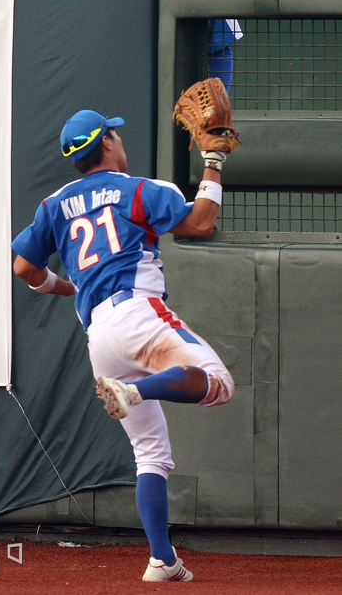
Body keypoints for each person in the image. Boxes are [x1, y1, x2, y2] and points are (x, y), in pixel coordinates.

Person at [12, 109, 234, 583]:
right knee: (219, 383)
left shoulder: (53, 204)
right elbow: (200, 223)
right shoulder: (140, 189)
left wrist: (67, 288)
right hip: (138, 313)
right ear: (108, 142)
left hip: (99, 336)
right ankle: (136, 391)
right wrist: (213, 160)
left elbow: (24, 269)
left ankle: (162, 561)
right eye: (115, 132)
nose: (119, 139)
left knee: (151, 454)